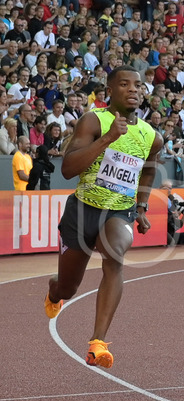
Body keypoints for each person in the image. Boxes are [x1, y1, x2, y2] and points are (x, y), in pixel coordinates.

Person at [44, 66, 164, 369]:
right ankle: (55, 290)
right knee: (68, 288)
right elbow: (68, 169)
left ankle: (97, 343)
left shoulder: (152, 136)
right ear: (109, 91)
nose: (133, 89)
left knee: (115, 256)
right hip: (82, 210)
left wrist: (141, 207)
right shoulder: (94, 120)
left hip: (118, 211)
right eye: (124, 84)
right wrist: (107, 139)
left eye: (138, 85)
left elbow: (148, 170)